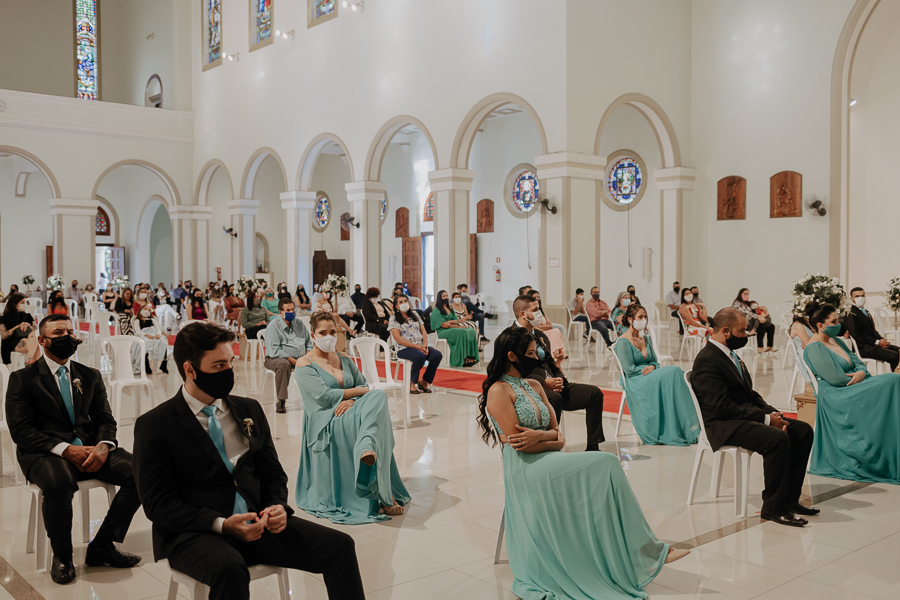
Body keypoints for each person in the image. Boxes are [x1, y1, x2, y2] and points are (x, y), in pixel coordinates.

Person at [132, 322, 365, 600]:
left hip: (258, 522)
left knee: (339, 546)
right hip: (196, 533)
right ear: (190, 370)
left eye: (230, 363)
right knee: (229, 569)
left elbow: (272, 473)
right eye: (218, 366)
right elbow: (158, 504)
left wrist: (276, 506)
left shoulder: (248, 409)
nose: (228, 372)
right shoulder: (156, 425)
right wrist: (222, 524)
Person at [476, 327, 687, 600]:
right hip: (525, 468)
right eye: (530, 354)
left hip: (549, 458)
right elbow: (520, 444)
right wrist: (548, 436)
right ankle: (648, 550)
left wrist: (543, 436)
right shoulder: (498, 390)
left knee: (606, 468)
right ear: (511, 356)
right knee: (607, 463)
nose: (537, 358)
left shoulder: (536, 385)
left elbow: (559, 438)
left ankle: (625, 552)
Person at [6, 314, 142, 584]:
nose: (68, 336)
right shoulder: (23, 379)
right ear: (43, 340)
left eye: (70, 330)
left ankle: (102, 545)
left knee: (142, 471)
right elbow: (22, 431)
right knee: (59, 484)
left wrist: (103, 447)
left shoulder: (89, 375)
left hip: (91, 447)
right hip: (44, 452)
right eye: (59, 332)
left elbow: (105, 420)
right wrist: (66, 450)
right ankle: (63, 556)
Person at [690, 308, 816, 527]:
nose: (746, 335)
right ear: (726, 331)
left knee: (803, 431)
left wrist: (771, 413)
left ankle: (790, 500)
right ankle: (772, 509)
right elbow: (721, 408)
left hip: (742, 417)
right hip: (724, 424)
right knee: (777, 440)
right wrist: (766, 420)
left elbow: (750, 395)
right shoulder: (707, 360)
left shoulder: (730, 355)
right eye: (742, 331)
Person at [293, 312, 410, 523]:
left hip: (350, 411)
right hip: (327, 420)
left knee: (378, 396)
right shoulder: (304, 364)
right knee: (376, 406)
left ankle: (367, 448)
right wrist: (354, 394)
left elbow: (364, 386)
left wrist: (352, 401)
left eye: (332, 332)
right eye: (323, 333)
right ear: (313, 335)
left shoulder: (344, 359)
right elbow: (325, 397)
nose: (328, 337)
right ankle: (383, 494)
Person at [803, 303, 900, 484]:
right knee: (892, 380)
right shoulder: (814, 348)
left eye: (837, 319)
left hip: (854, 384)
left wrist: (862, 372)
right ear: (820, 326)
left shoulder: (837, 341)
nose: (838, 323)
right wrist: (859, 374)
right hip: (837, 394)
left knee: (892, 382)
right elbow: (836, 378)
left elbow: (859, 363)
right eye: (834, 321)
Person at [511, 295, 605, 450]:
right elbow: (514, 372)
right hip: (529, 389)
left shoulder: (540, 335)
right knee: (554, 399)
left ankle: (593, 447)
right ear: (522, 314)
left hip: (553, 385)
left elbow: (552, 365)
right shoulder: (511, 337)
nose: (539, 313)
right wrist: (542, 384)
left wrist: (560, 379)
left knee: (594, 394)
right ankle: (548, 446)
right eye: (535, 310)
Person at [614, 304, 699, 445]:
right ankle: (675, 427)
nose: (644, 320)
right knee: (673, 372)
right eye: (640, 317)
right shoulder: (623, 341)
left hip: (650, 373)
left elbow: (655, 361)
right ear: (630, 319)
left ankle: (684, 425)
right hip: (635, 378)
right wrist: (647, 369)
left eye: (645, 317)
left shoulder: (645, 338)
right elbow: (628, 369)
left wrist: (652, 366)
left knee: (675, 373)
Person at [264, 299, 314, 414]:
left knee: (319, 361)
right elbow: (275, 350)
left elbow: (309, 343)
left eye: (292, 309)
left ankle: (316, 397)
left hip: (300, 358)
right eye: (288, 310)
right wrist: (295, 362)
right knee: (283, 364)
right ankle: (281, 400)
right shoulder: (273, 326)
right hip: (275, 358)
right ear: (281, 312)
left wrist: (307, 356)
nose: (291, 312)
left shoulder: (299, 324)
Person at [389, 294, 442, 394]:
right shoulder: (393, 319)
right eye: (401, 302)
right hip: (403, 348)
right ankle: (412, 383)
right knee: (420, 356)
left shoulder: (415, 315)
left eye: (405, 301)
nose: (404, 303)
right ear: (396, 306)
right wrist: (417, 347)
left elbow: (423, 331)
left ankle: (424, 381)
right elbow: (398, 339)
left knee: (436, 355)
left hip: (420, 346)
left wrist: (425, 345)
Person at [845, 287, 900, 371]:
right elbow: (857, 335)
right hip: (865, 348)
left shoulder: (866, 312)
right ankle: (895, 379)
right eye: (857, 296)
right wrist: (877, 342)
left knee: (898, 350)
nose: (861, 298)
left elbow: (873, 331)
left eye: (863, 296)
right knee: (894, 356)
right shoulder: (851, 313)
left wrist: (881, 340)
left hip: (874, 345)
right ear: (852, 299)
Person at [431, 290, 479, 367]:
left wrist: (450, 322)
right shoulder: (436, 310)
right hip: (442, 331)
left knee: (471, 330)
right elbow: (443, 325)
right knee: (461, 332)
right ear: (440, 298)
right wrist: (458, 327)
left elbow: (456, 320)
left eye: (447, 295)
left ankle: (470, 356)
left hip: (451, 328)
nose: (446, 297)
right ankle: (462, 359)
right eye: (444, 296)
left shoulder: (450, 307)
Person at [526, 289, 567, 360]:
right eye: (535, 297)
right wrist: (541, 328)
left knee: (556, 331)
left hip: (544, 332)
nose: (537, 299)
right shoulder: (528, 312)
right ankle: (555, 354)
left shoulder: (541, 311)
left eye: (538, 297)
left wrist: (540, 326)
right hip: (537, 333)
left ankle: (555, 354)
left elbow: (550, 325)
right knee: (555, 332)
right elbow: (533, 327)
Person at [0, 293, 40, 365]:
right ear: (14, 304)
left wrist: (28, 325)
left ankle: (29, 360)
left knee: (33, 337)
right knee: (36, 346)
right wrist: (17, 326)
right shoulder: (4, 318)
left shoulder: (27, 316)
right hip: (12, 341)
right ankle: (34, 368)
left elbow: (36, 331)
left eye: (25, 302)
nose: (24, 305)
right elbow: (3, 336)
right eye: (22, 303)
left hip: (29, 339)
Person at [732, 288, 775, 353]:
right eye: (745, 294)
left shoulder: (747, 304)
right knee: (761, 326)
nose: (747, 296)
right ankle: (760, 347)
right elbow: (744, 313)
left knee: (771, 326)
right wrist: (757, 316)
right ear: (740, 294)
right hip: (744, 325)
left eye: (748, 294)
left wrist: (763, 311)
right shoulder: (737, 303)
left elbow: (753, 311)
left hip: (751, 323)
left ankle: (770, 346)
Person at [131, 304, 169, 375]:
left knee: (163, 342)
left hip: (153, 334)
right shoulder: (137, 320)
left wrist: (158, 334)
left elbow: (158, 329)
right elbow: (138, 331)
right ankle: (146, 364)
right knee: (146, 343)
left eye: (148, 310)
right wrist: (146, 335)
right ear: (140, 310)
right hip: (144, 335)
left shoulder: (153, 320)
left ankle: (163, 364)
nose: (147, 311)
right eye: (145, 309)